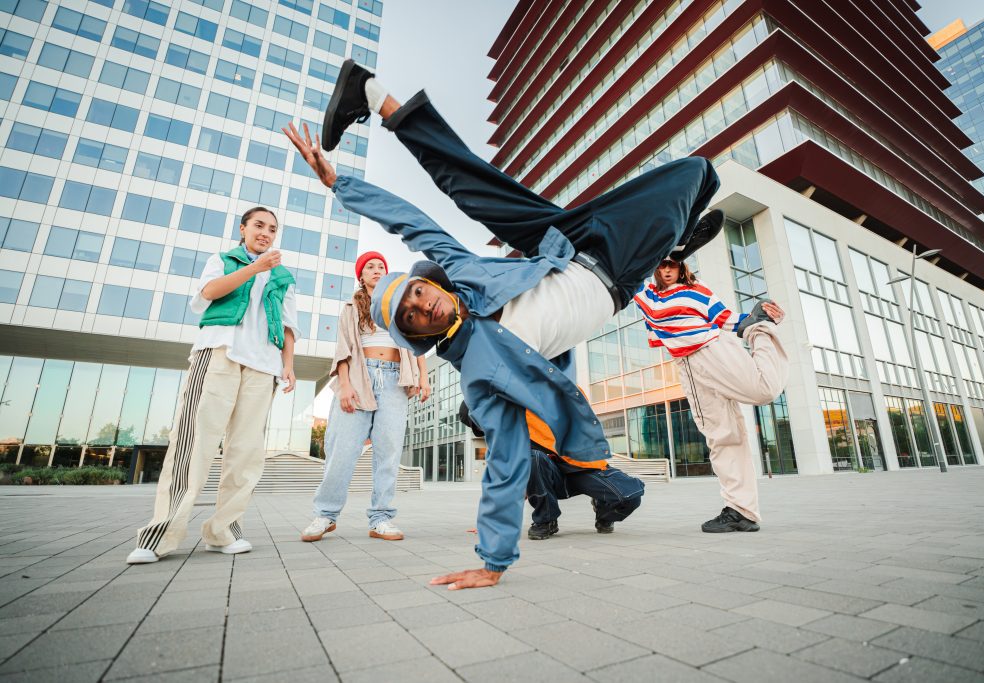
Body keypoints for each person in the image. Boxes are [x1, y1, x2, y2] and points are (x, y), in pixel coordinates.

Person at [284, 59, 722, 588]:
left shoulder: (461, 274)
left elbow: (411, 221)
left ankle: (372, 94)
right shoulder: (482, 376)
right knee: (695, 174)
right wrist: (492, 562)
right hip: (618, 282)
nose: (424, 307)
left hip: (568, 244)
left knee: (478, 186)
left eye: (420, 293)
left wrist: (341, 185)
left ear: (434, 285)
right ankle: (667, 247)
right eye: (413, 317)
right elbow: (506, 461)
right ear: (418, 337)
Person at [127, 207, 298, 564]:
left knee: (246, 453)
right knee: (194, 441)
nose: (265, 233)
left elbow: (287, 327)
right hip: (219, 353)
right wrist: (254, 268)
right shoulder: (223, 260)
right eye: (258, 226)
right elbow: (208, 293)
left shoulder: (283, 277)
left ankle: (223, 531)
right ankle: (160, 533)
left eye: (272, 229)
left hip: (262, 366)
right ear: (243, 229)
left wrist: (288, 366)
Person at [633, 257, 788, 533]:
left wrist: (756, 320)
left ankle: (761, 331)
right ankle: (741, 511)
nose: (667, 270)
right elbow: (628, 266)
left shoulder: (696, 287)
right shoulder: (645, 293)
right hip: (686, 366)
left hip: (711, 349)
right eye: (661, 265)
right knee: (721, 435)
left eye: (673, 265)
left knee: (763, 390)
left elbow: (725, 318)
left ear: (682, 267)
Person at [300, 251, 430, 544]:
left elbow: (417, 341)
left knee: (389, 452)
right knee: (341, 449)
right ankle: (325, 514)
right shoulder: (350, 308)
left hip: (396, 378)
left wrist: (423, 377)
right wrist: (344, 386)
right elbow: (343, 350)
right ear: (361, 275)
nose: (376, 269)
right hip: (360, 377)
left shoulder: (400, 305)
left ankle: (381, 518)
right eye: (369, 266)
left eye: (380, 266)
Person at [457, 401, 644, 539]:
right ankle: (546, 520)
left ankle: (603, 512)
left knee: (631, 496)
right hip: (550, 478)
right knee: (532, 457)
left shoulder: (526, 403)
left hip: (581, 467)